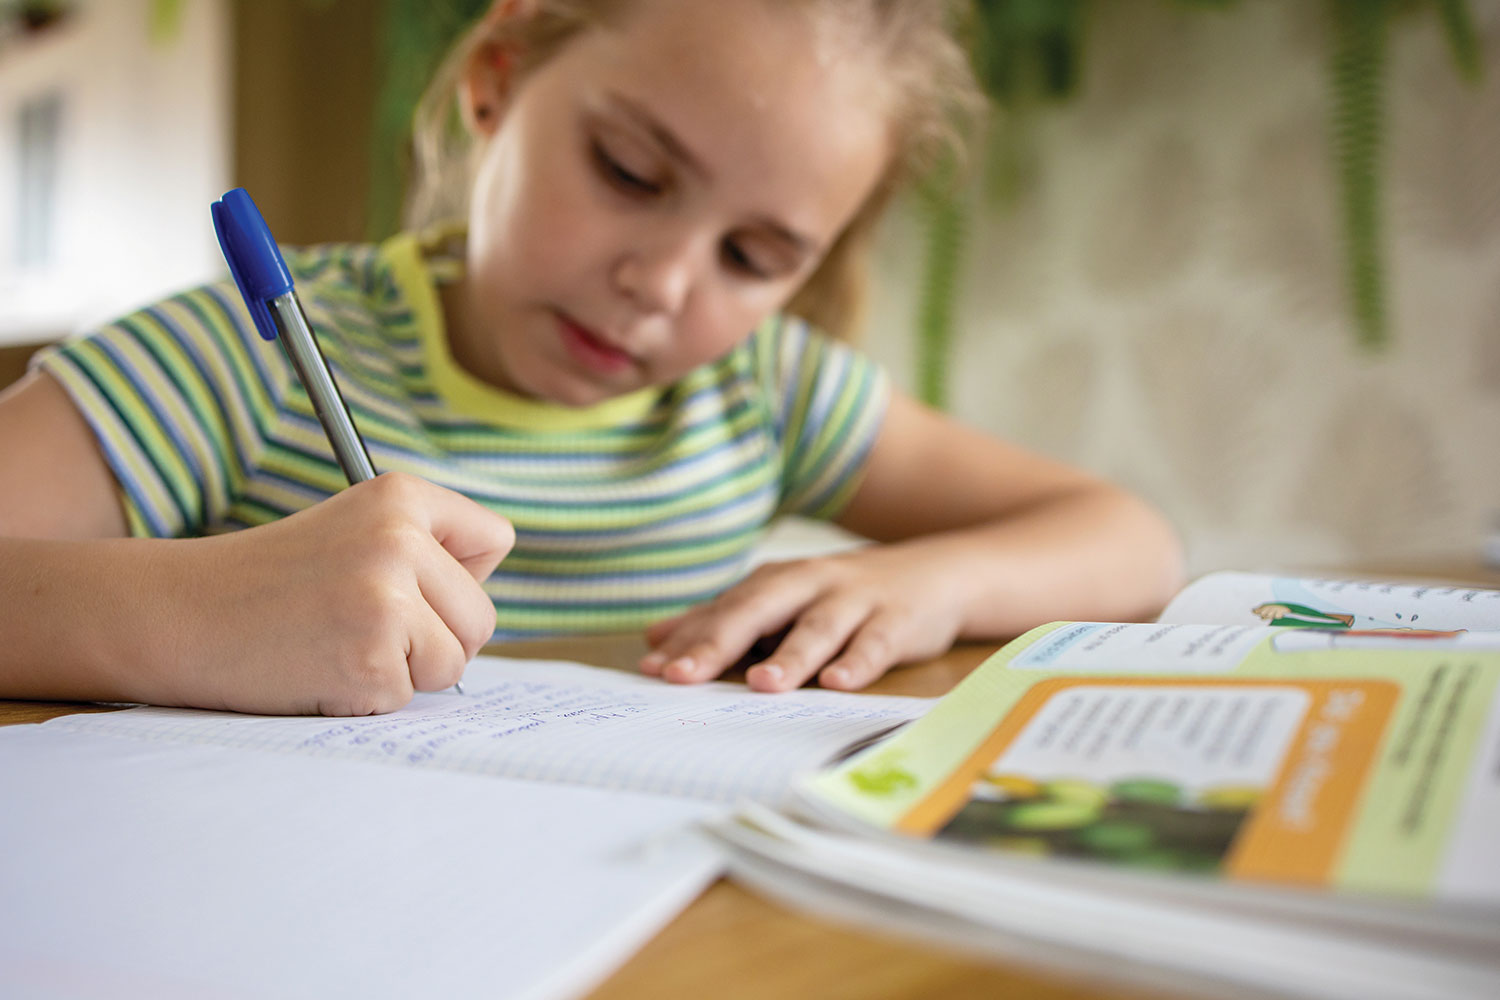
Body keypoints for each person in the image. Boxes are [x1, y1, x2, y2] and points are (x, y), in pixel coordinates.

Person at [0, 0, 1183, 717]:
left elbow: (1128, 540)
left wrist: (929, 585)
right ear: (497, 79)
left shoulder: (758, 390)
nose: (663, 286)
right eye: (629, 172)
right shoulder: (244, 359)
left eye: (756, 255)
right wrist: (197, 614)